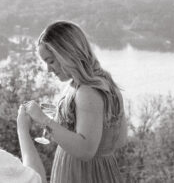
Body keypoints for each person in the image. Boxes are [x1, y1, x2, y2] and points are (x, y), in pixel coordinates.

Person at [25, 20, 127, 182]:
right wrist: (65, 119)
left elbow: (86, 150)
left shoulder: (87, 91)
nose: (49, 69)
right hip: (101, 173)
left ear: (67, 54)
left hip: (82, 175)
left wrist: (43, 120)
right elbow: (119, 140)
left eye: (51, 61)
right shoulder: (106, 83)